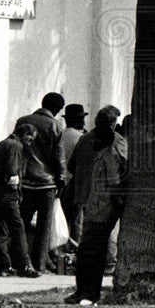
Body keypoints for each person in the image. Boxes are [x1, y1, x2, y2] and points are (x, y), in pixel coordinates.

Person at [67, 105, 128, 305]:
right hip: (106, 201)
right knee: (94, 247)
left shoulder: (85, 140)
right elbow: (120, 173)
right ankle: (88, 292)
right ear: (113, 123)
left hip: (90, 199)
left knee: (89, 247)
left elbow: (71, 165)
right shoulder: (115, 142)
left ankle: (86, 291)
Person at [15, 92, 67, 272]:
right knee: (44, 227)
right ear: (57, 109)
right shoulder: (55, 125)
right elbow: (58, 156)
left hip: (25, 180)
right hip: (47, 183)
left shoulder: (22, 121)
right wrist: (61, 179)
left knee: (22, 222)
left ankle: (20, 261)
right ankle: (39, 263)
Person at [0, 123, 40, 277]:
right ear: (24, 134)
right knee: (18, 229)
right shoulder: (15, 146)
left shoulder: (2, 144)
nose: (30, 142)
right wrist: (15, 190)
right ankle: (24, 265)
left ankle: (3, 267)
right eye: (30, 139)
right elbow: (12, 172)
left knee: (1, 228)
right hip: (8, 194)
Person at [59, 103, 89, 248]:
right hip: (75, 182)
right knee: (77, 217)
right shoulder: (81, 137)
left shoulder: (60, 135)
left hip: (61, 181)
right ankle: (75, 248)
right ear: (78, 120)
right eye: (82, 118)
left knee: (62, 217)